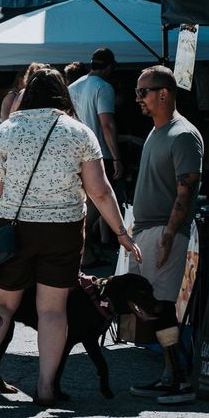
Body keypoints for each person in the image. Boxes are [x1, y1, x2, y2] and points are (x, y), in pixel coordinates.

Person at [0, 68, 139, 406]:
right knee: (52, 310)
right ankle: (45, 389)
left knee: (1, 302)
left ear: (28, 94)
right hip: (63, 231)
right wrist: (121, 233)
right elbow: (101, 192)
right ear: (64, 95)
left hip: (14, 229)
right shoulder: (79, 132)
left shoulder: (7, 130)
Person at [127, 65, 204, 405]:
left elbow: (185, 189)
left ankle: (178, 378)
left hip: (163, 233)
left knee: (162, 307)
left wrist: (169, 236)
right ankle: (169, 374)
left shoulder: (183, 134)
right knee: (154, 307)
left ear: (164, 93)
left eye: (143, 92)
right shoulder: (158, 131)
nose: (138, 99)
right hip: (148, 230)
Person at [69, 48, 124, 263]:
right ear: (110, 66)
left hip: (74, 155)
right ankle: (82, 248)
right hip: (99, 153)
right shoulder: (103, 87)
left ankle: (86, 251)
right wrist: (117, 157)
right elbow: (107, 124)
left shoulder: (72, 86)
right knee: (100, 203)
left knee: (85, 203)